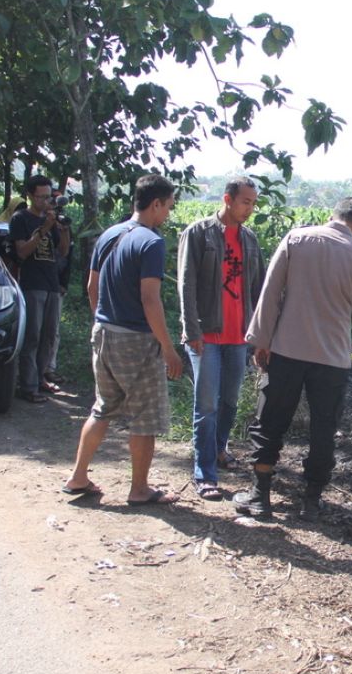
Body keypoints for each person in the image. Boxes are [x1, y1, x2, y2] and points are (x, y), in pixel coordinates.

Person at [235, 197, 352, 521]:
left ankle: (260, 496)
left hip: (286, 349)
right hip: (332, 358)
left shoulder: (296, 239)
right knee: (323, 429)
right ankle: (311, 502)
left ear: (333, 217)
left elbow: (270, 292)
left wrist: (261, 340)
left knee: (270, 421)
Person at [63, 174, 184, 505]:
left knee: (103, 407)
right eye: (168, 208)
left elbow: (92, 287)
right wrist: (168, 349)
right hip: (136, 341)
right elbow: (150, 300)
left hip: (103, 334)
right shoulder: (151, 242)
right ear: (155, 203)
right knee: (145, 417)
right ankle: (139, 489)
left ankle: (78, 477)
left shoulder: (109, 235)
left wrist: (103, 320)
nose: (168, 215)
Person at [177, 176, 266, 501]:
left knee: (229, 401)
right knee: (207, 404)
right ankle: (204, 474)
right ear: (228, 199)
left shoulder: (250, 240)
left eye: (254, 203)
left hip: (239, 335)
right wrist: (192, 329)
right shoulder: (199, 233)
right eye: (246, 202)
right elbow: (185, 284)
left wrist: (260, 334)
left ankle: (218, 448)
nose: (250, 209)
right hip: (208, 334)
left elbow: (258, 290)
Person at [10, 175, 69, 403]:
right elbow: (22, 252)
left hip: (51, 283)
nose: (46, 201)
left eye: (48, 197)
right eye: (41, 197)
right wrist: (43, 229)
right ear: (30, 196)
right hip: (32, 283)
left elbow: (62, 252)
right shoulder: (20, 219)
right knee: (32, 336)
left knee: (48, 337)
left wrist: (62, 230)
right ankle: (27, 385)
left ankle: (40, 378)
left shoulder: (51, 219)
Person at [44, 189, 73, 386]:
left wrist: (63, 283)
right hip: (34, 284)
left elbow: (66, 255)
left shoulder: (61, 224)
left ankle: (49, 369)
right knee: (34, 331)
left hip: (55, 284)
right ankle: (33, 374)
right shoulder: (35, 221)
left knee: (53, 331)